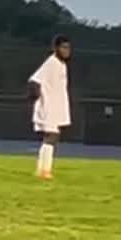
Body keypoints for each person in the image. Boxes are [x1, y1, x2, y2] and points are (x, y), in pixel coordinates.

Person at [28, 35, 72, 180]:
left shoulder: (61, 64)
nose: (67, 50)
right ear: (56, 48)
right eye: (63, 47)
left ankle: (43, 169)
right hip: (48, 107)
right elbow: (34, 80)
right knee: (51, 136)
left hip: (56, 106)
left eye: (68, 48)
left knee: (53, 137)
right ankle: (44, 170)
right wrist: (37, 97)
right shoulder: (51, 63)